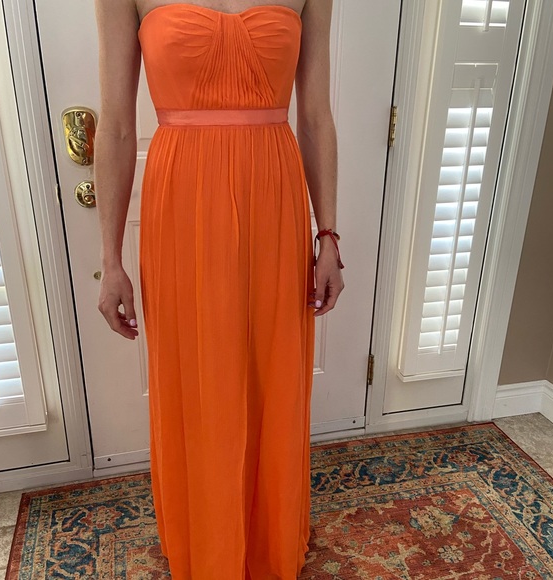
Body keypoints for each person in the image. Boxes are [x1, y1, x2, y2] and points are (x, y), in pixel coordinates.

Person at [94, 0, 344, 577]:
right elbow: (118, 124)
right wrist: (110, 260)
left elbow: (314, 116)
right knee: (198, 375)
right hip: (182, 207)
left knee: (272, 371)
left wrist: (328, 234)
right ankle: (207, 540)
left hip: (274, 205)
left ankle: (267, 538)